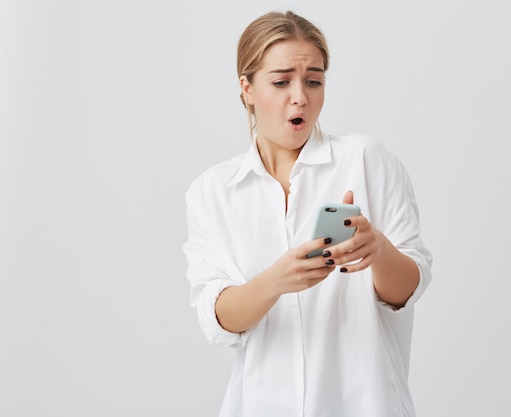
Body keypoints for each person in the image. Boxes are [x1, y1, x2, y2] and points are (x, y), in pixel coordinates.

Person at [183, 10, 433, 417]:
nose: (300, 96)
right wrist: (274, 282)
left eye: (313, 81)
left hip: (364, 403)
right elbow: (218, 319)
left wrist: (378, 251)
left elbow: (408, 290)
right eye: (281, 82)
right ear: (246, 89)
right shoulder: (212, 192)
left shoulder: (365, 159)